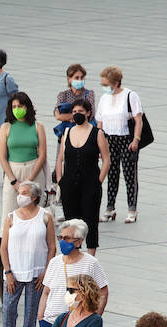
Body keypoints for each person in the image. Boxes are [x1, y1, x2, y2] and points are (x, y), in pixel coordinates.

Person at [0, 182, 56, 327]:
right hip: (14, 272)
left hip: (36, 273)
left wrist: (45, 273)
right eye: (19, 192)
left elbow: (52, 247)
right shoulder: (11, 217)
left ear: (34, 197)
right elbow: (3, 248)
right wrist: (8, 272)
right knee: (9, 310)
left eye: (24, 193)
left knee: (31, 312)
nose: (20, 196)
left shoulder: (45, 217)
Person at [53, 98, 108, 253]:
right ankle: (73, 252)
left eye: (81, 112)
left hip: (90, 183)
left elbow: (106, 159)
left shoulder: (97, 133)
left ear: (88, 113)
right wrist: (59, 179)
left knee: (90, 220)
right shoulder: (67, 132)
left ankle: (91, 256)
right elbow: (60, 158)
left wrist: (98, 181)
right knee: (71, 221)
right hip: (69, 183)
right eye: (75, 112)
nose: (77, 114)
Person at [37, 219, 109, 327]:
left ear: (79, 242)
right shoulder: (54, 262)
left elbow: (103, 292)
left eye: (66, 238)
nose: (62, 241)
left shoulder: (91, 263)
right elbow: (46, 292)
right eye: (60, 237)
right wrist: (41, 316)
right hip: (50, 322)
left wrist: (94, 318)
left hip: (77, 324)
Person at [95, 66, 144, 224]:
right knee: (112, 173)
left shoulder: (130, 95)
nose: (104, 88)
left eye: (106, 84)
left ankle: (132, 209)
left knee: (129, 175)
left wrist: (136, 139)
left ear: (115, 83)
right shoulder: (104, 99)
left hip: (126, 138)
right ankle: (110, 208)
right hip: (109, 138)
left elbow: (138, 120)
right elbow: (100, 122)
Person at [0, 92, 47, 224]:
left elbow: (42, 155)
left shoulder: (38, 126)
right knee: (9, 215)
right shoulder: (6, 127)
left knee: (36, 215)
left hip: (34, 171)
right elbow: (2, 157)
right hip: (13, 171)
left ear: (27, 107)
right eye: (14, 107)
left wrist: (29, 180)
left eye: (20, 106)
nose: (17, 109)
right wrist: (14, 181)